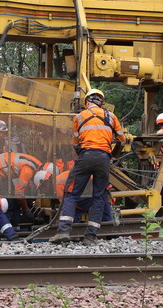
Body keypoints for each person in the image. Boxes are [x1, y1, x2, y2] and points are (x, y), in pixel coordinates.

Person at [51, 88, 125, 245]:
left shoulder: (79, 117)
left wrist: (84, 156)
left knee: (72, 194)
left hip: (86, 156)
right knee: (99, 196)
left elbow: (75, 143)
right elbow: (122, 140)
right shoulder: (111, 116)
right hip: (104, 159)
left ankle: (63, 232)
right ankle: (90, 237)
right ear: (101, 102)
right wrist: (113, 155)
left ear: (87, 102)